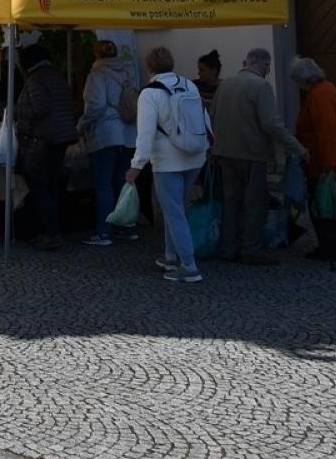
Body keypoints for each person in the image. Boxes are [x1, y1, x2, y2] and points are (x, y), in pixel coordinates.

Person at [210, 47, 306, 266]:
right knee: (255, 204)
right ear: (263, 64)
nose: (267, 71)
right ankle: (251, 249)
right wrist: (297, 147)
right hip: (251, 153)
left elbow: (212, 116)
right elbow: (271, 123)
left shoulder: (225, 85)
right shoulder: (261, 86)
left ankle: (228, 247)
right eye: (267, 67)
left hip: (225, 152)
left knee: (231, 202)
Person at [126, 46, 205, 283]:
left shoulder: (149, 93)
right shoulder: (189, 85)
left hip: (168, 161)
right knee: (177, 209)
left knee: (174, 212)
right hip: (195, 155)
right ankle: (171, 257)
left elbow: (146, 133)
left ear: (149, 67)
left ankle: (189, 266)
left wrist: (136, 165)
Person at [15, 42, 78, 251]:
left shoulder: (35, 79)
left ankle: (51, 232)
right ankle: (54, 229)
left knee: (40, 185)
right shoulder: (56, 75)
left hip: (44, 139)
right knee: (52, 184)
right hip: (62, 137)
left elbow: (40, 108)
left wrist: (21, 115)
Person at [293, 57, 336, 261]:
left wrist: (327, 165)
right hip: (331, 159)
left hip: (325, 162)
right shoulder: (326, 89)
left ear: (305, 79)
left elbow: (327, 132)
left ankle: (331, 246)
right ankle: (334, 244)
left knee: (323, 206)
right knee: (327, 205)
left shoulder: (320, 95)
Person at [76, 39, 138, 246]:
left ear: (96, 55)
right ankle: (128, 227)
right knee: (123, 183)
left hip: (106, 134)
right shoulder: (127, 72)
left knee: (103, 185)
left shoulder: (97, 75)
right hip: (128, 134)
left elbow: (95, 105)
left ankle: (104, 232)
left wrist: (81, 125)